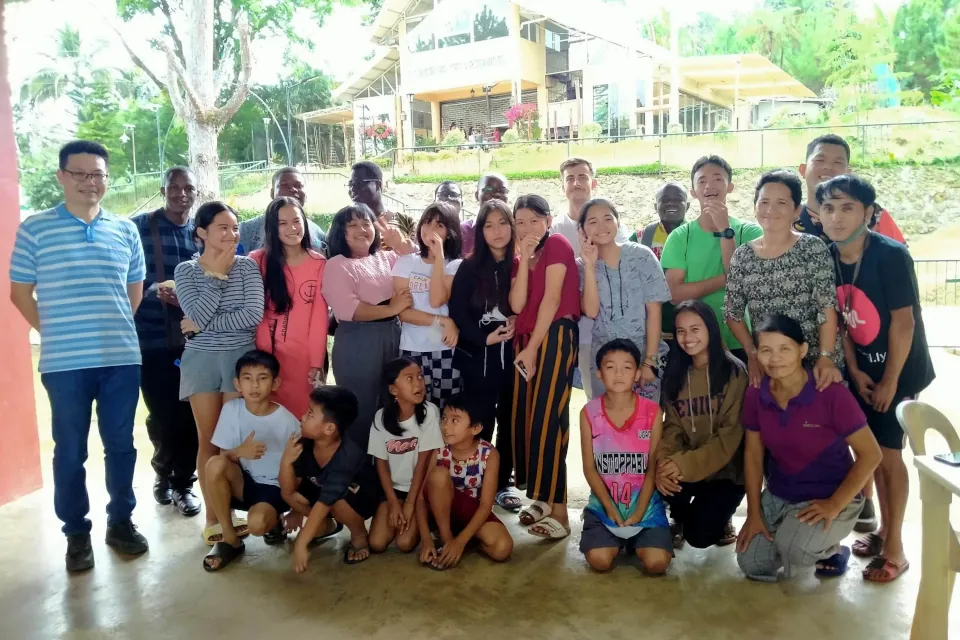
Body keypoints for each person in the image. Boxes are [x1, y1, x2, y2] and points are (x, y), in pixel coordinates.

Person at [10, 140, 149, 572]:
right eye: (80, 174)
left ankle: (121, 521)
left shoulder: (125, 229)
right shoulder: (36, 229)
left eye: (98, 175)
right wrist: (55, 332)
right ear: (62, 177)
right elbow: (19, 294)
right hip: (64, 363)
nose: (90, 182)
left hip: (121, 359)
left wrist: (110, 327)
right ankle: (76, 533)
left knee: (122, 446)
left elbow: (134, 292)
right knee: (70, 450)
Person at [818, 174, 935, 583]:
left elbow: (904, 324)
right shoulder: (827, 257)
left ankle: (897, 550)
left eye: (848, 207)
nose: (837, 217)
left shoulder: (890, 255)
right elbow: (840, 322)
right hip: (862, 368)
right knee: (866, 451)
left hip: (899, 369)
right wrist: (852, 369)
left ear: (868, 212)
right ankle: (884, 531)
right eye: (829, 208)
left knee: (887, 456)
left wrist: (889, 381)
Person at [736, 314, 882, 581]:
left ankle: (830, 549)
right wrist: (754, 513)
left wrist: (835, 504)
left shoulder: (830, 392)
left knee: (795, 548)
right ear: (756, 354)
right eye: (766, 350)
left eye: (785, 349)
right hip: (781, 495)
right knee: (751, 562)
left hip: (831, 495)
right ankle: (795, 539)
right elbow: (753, 455)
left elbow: (872, 454)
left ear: (802, 350)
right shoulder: (757, 392)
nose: (775, 358)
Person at [174, 201, 265, 545]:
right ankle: (214, 519)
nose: (231, 234)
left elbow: (252, 315)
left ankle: (236, 507)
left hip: (239, 360)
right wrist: (214, 277)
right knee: (208, 440)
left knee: (233, 440)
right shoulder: (185, 271)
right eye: (222, 228)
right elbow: (193, 311)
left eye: (234, 227)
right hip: (201, 362)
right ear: (202, 233)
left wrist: (201, 325)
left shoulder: (248, 267)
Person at [724, 170, 843, 390]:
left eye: (781, 202)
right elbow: (733, 313)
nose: (770, 210)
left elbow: (827, 306)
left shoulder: (812, 248)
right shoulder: (742, 255)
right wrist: (753, 353)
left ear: (796, 210)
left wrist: (826, 357)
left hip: (816, 365)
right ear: (755, 206)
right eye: (764, 202)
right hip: (771, 366)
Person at [130, 166, 201, 517]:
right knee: (161, 415)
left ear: (196, 193)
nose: (181, 193)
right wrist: (149, 292)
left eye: (188, 188)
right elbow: (122, 278)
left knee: (191, 415)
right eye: (174, 187)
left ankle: (184, 483)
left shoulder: (201, 233)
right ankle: (164, 473)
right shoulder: (140, 227)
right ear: (163, 190)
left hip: (195, 341)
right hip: (152, 338)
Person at [509, 195, 580, 539]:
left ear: (548, 221)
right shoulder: (523, 256)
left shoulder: (558, 246)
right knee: (528, 420)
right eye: (519, 222)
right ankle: (542, 498)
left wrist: (535, 348)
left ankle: (562, 513)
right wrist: (523, 260)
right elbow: (517, 302)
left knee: (549, 421)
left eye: (534, 220)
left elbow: (552, 301)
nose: (527, 228)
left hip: (552, 337)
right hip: (526, 341)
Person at [321, 203, 415, 450]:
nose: (361, 229)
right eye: (352, 225)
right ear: (340, 232)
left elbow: (418, 268)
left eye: (366, 223)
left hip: (394, 336)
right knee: (361, 410)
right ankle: (359, 476)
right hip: (358, 342)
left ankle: (390, 470)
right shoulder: (337, 264)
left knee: (393, 405)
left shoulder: (388, 257)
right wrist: (391, 309)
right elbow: (349, 309)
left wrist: (401, 244)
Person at [658, 300, 747, 549]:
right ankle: (679, 515)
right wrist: (664, 464)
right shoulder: (676, 372)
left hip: (726, 474)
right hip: (688, 465)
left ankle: (716, 516)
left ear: (711, 328)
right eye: (681, 331)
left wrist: (681, 464)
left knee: (699, 538)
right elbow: (672, 426)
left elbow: (729, 438)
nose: (687, 338)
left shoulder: (735, 373)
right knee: (657, 484)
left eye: (695, 329)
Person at [448, 199, 520, 512]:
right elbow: (457, 314)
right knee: (481, 420)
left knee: (509, 419)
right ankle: (474, 482)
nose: (497, 231)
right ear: (480, 231)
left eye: (503, 223)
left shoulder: (520, 264)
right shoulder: (469, 266)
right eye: (488, 225)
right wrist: (484, 337)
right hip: (477, 359)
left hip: (513, 361)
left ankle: (502, 481)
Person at [578, 339, 672, 575]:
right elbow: (589, 468)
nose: (618, 374)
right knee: (599, 561)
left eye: (627, 367)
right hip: (604, 507)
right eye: (610, 367)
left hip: (645, 508)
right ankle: (610, 537)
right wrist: (609, 508)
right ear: (599, 374)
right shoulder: (589, 412)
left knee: (657, 564)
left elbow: (652, 466)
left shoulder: (652, 411)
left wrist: (640, 512)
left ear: (638, 372)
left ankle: (637, 541)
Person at [201, 351, 300, 571]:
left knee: (256, 525)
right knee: (214, 464)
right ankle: (230, 540)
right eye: (247, 378)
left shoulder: (287, 421)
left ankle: (273, 521)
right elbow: (224, 457)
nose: (254, 385)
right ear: (237, 384)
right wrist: (240, 451)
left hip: (275, 487)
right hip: (244, 482)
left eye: (262, 378)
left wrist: (297, 509)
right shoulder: (231, 409)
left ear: (275, 383)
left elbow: (301, 469)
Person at [660, 155, 763, 363]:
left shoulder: (749, 231)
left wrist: (726, 230)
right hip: (694, 342)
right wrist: (726, 279)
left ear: (730, 186)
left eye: (717, 179)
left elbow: (746, 287)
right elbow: (674, 294)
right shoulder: (681, 237)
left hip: (743, 341)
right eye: (702, 180)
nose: (709, 185)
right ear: (693, 192)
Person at [550, 158, 629, 401]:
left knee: (614, 391)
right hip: (568, 322)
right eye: (570, 178)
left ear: (593, 182)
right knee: (576, 392)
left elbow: (619, 270)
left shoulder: (614, 226)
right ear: (562, 186)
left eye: (582, 177)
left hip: (610, 321)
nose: (576, 183)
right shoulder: (554, 229)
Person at [579, 198, 671, 401]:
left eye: (607, 219)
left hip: (643, 357)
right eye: (592, 221)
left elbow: (654, 312)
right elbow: (591, 311)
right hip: (603, 363)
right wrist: (589, 266)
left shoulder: (641, 256)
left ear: (618, 222)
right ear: (582, 230)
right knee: (606, 424)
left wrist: (649, 361)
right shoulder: (580, 267)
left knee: (644, 424)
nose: (601, 226)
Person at [281, 386, 382, 571]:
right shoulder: (304, 444)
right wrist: (286, 462)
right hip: (323, 495)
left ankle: (359, 536)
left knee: (337, 500)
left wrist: (301, 543)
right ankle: (327, 524)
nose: (302, 417)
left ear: (329, 428)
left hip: (356, 500)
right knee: (291, 496)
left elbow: (327, 500)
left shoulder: (348, 456)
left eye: (310, 414)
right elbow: (288, 490)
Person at [249, 197, 328, 419]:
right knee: (266, 421)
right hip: (265, 358)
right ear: (272, 228)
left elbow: (319, 318)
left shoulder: (318, 263)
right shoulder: (257, 261)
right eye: (282, 223)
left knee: (301, 421)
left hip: (302, 361)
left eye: (296, 221)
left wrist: (316, 361)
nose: (292, 228)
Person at [416, 396, 514, 569]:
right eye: (444, 418)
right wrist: (425, 540)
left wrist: (460, 542)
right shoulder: (439, 449)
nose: (446, 426)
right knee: (439, 476)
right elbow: (422, 499)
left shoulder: (489, 454)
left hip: (472, 514)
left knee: (502, 548)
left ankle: (460, 541)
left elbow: (485, 505)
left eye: (455, 420)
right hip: (439, 512)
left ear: (475, 428)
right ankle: (447, 540)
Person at [367, 358, 443, 554]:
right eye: (409, 378)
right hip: (394, 491)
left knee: (405, 543)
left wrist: (410, 503)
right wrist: (393, 502)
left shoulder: (429, 413)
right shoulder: (380, 418)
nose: (418, 383)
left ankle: (427, 520)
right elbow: (381, 464)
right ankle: (398, 510)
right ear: (393, 390)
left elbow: (424, 463)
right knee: (376, 543)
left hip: (419, 491)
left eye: (419, 376)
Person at [392, 202, 463, 405]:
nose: (430, 229)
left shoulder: (456, 265)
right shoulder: (405, 262)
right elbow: (403, 313)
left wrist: (438, 257)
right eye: (427, 222)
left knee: (446, 409)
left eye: (439, 225)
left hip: (445, 350)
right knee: (413, 409)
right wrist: (444, 321)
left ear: (450, 232)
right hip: (412, 349)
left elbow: (436, 300)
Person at [796, 134, 906, 244]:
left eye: (838, 162)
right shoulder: (789, 219)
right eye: (820, 160)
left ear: (848, 173)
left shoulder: (874, 215)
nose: (828, 166)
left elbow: (899, 257)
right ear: (803, 170)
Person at [631, 182, 690, 342]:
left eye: (677, 199)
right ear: (655, 206)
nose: (671, 203)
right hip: (650, 326)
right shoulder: (640, 238)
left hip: (691, 325)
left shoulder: (698, 236)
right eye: (664, 200)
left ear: (688, 205)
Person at [238, 167, 327, 254]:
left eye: (298, 186)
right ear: (272, 193)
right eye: (284, 185)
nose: (292, 189)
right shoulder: (246, 230)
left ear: (306, 195)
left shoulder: (318, 234)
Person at [347, 161, 415, 240]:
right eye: (350, 185)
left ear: (377, 185)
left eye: (358, 183)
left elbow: (422, 251)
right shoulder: (343, 224)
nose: (352, 189)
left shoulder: (405, 222)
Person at [461, 173, 511, 257]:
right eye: (489, 189)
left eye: (502, 191)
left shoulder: (517, 228)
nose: (497, 194)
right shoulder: (462, 231)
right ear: (477, 195)